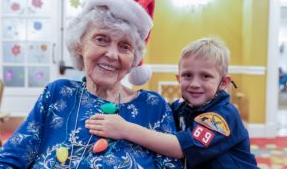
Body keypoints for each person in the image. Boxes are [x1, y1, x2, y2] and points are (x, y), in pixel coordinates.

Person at [0, 0, 182, 168]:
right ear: (80, 45)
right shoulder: (58, 94)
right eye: (101, 39)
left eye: (124, 46)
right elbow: (8, 159)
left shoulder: (153, 106)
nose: (112, 54)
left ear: (134, 58)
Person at [86, 37, 258, 168]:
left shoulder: (222, 117)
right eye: (187, 75)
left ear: (224, 83)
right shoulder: (182, 108)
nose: (195, 83)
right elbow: (153, 116)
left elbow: (180, 148)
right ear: (178, 78)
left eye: (206, 76)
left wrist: (124, 129)